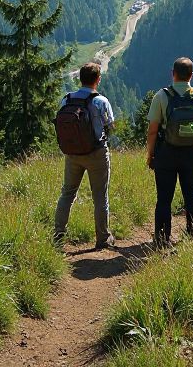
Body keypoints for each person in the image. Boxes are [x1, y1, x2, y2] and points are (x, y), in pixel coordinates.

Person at [145, 57, 193, 247]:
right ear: (191, 75)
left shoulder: (161, 96)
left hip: (166, 153)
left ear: (173, 73)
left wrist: (150, 154)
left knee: (164, 198)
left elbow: (152, 131)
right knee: (192, 194)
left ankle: (162, 239)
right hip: (192, 153)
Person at [53, 62, 117, 250]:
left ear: (80, 79)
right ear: (98, 80)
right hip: (96, 153)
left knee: (67, 194)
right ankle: (102, 238)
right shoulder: (101, 101)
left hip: (72, 153)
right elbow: (111, 126)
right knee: (100, 197)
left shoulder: (66, 99)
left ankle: (58, 236)